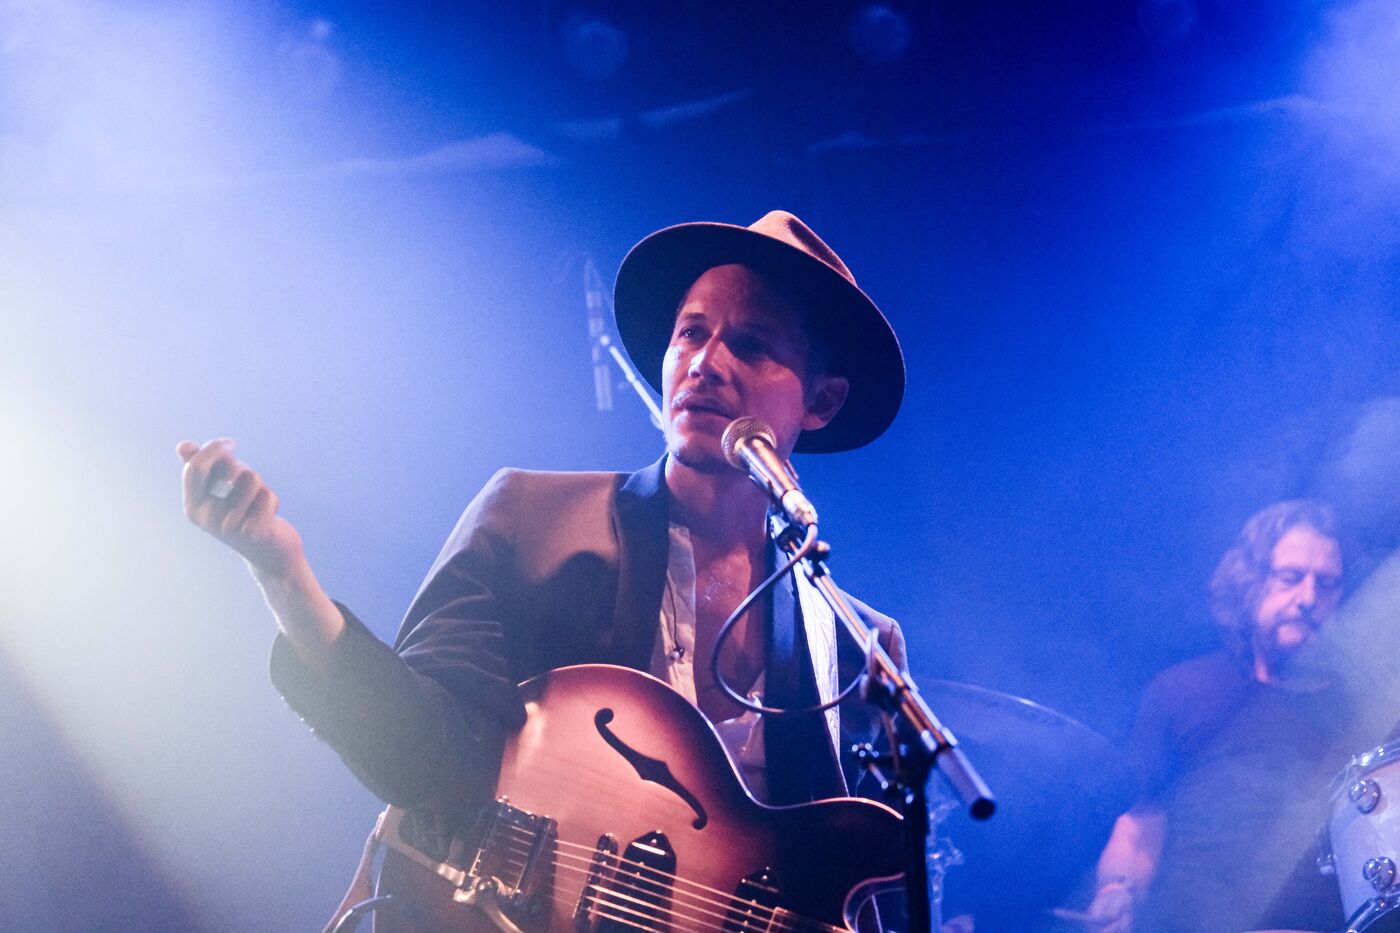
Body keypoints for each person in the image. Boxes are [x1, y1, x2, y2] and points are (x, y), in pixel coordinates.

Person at [176, 212, 911, 918]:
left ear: (822, 400)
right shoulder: (531, 518)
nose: (705, 363)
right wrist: (282, 572)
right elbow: (418, 755)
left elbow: (868, 891)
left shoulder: (858, 649)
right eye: (691, 332)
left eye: (750, 345)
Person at [1087, 499, 1355, 933]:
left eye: (1327, 584)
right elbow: (1141, 822)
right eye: (1290, 578)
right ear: (1249, 582)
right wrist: (1117, 890)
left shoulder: (1361, 711)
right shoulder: (1180, 690)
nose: (1309, 598)